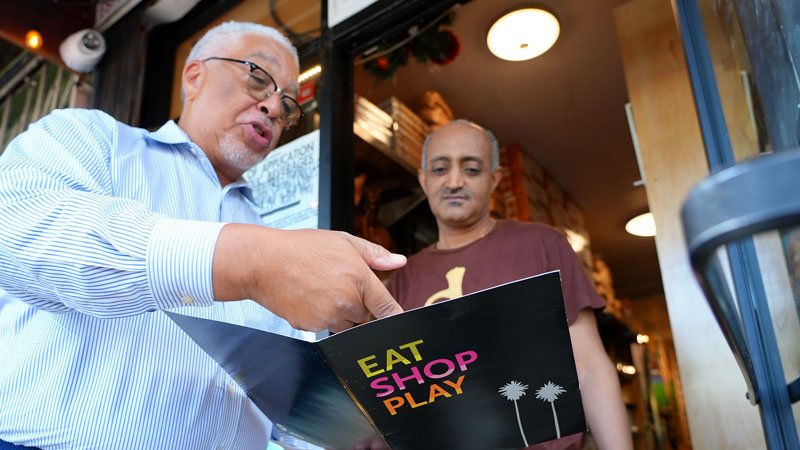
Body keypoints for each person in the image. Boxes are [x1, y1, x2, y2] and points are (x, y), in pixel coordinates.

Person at [0, 22, 404, 449]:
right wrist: (249, 262)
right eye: (258, 78)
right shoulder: (93, 140)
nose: (273, 107)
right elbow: (17, 230)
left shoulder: (272, 235)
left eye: (288, 104)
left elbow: (276, 399)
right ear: (194, 77)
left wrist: (340, 433)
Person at [387, 120, 633, 450]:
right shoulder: (402, 277)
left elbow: (588, 365)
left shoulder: (543, 246)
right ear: (423, 179)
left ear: (495, 179)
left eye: (472, 169)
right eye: (440, 168)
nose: (455, 181)